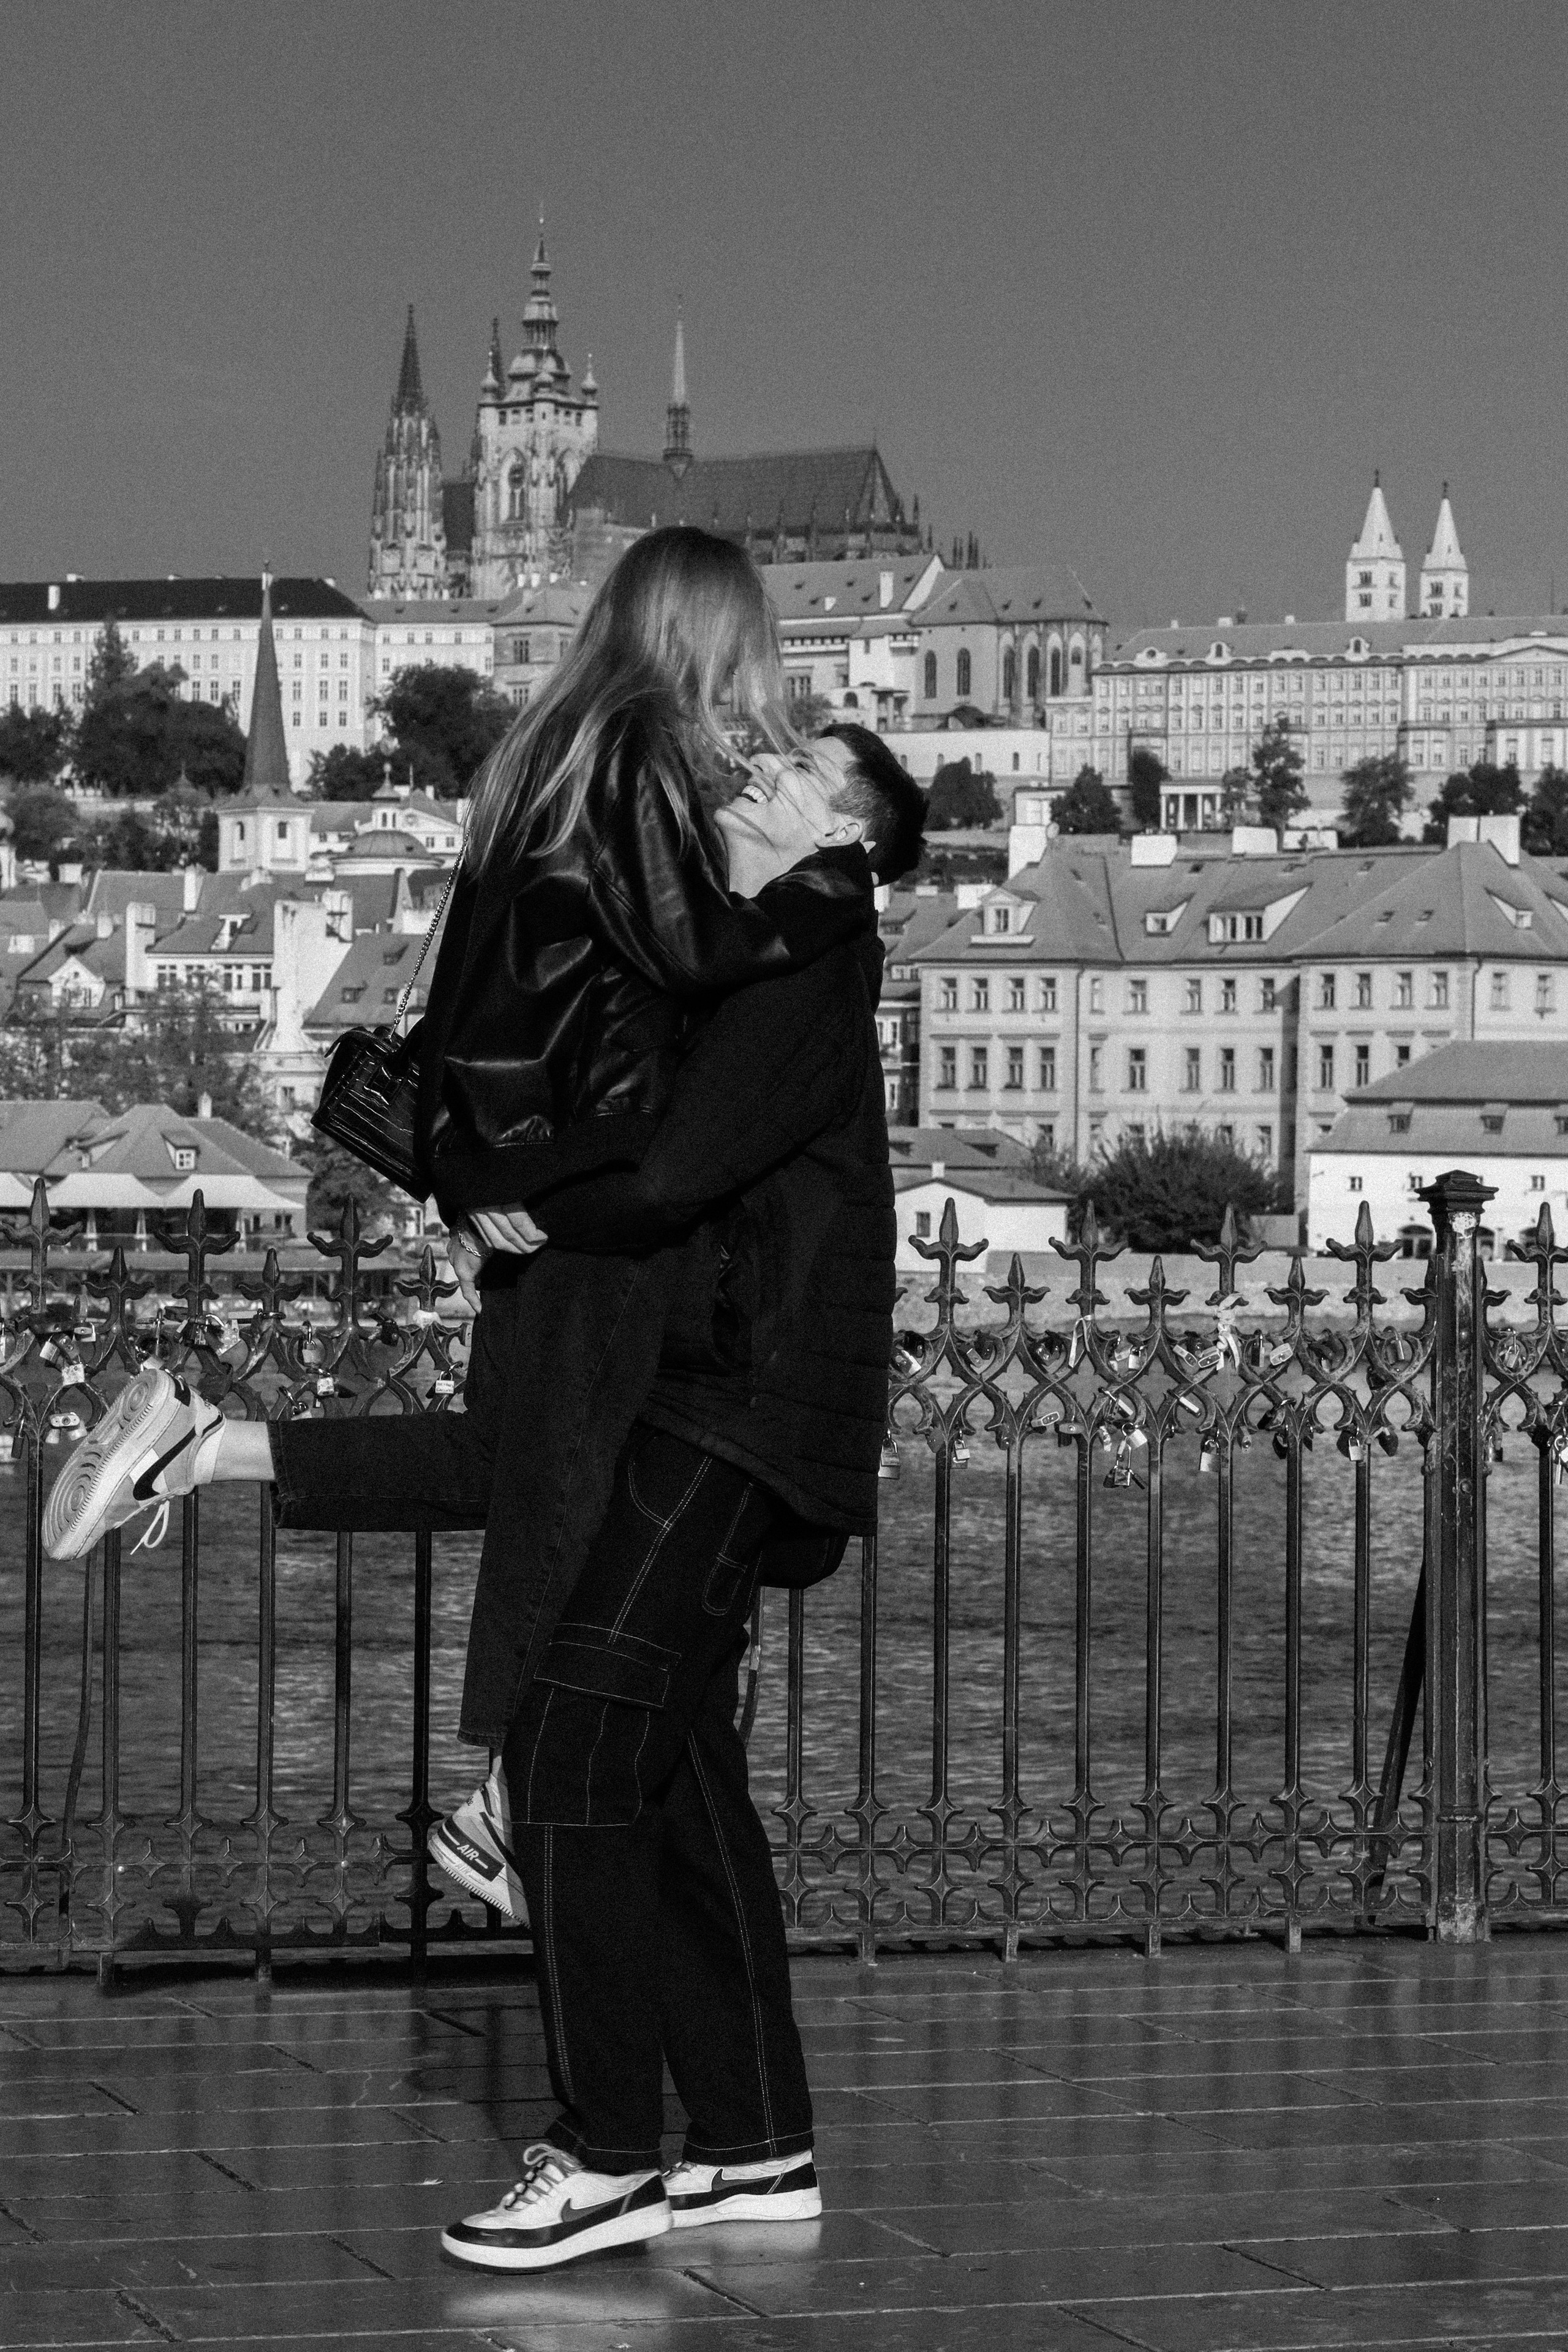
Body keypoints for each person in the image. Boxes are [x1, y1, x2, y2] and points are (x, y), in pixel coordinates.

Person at [41, 712, 924, 2274]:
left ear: (844, 839)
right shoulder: (750, 940)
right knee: (672, 1764)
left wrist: (522, 1189)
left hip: (742, 1391)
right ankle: (753, 2143)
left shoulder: (802, 946)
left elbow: (666, 1166)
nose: (747, 783)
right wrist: (480, 1164)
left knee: (581, 1745)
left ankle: (602, 2152)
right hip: (705, 1371)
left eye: (786, 782)